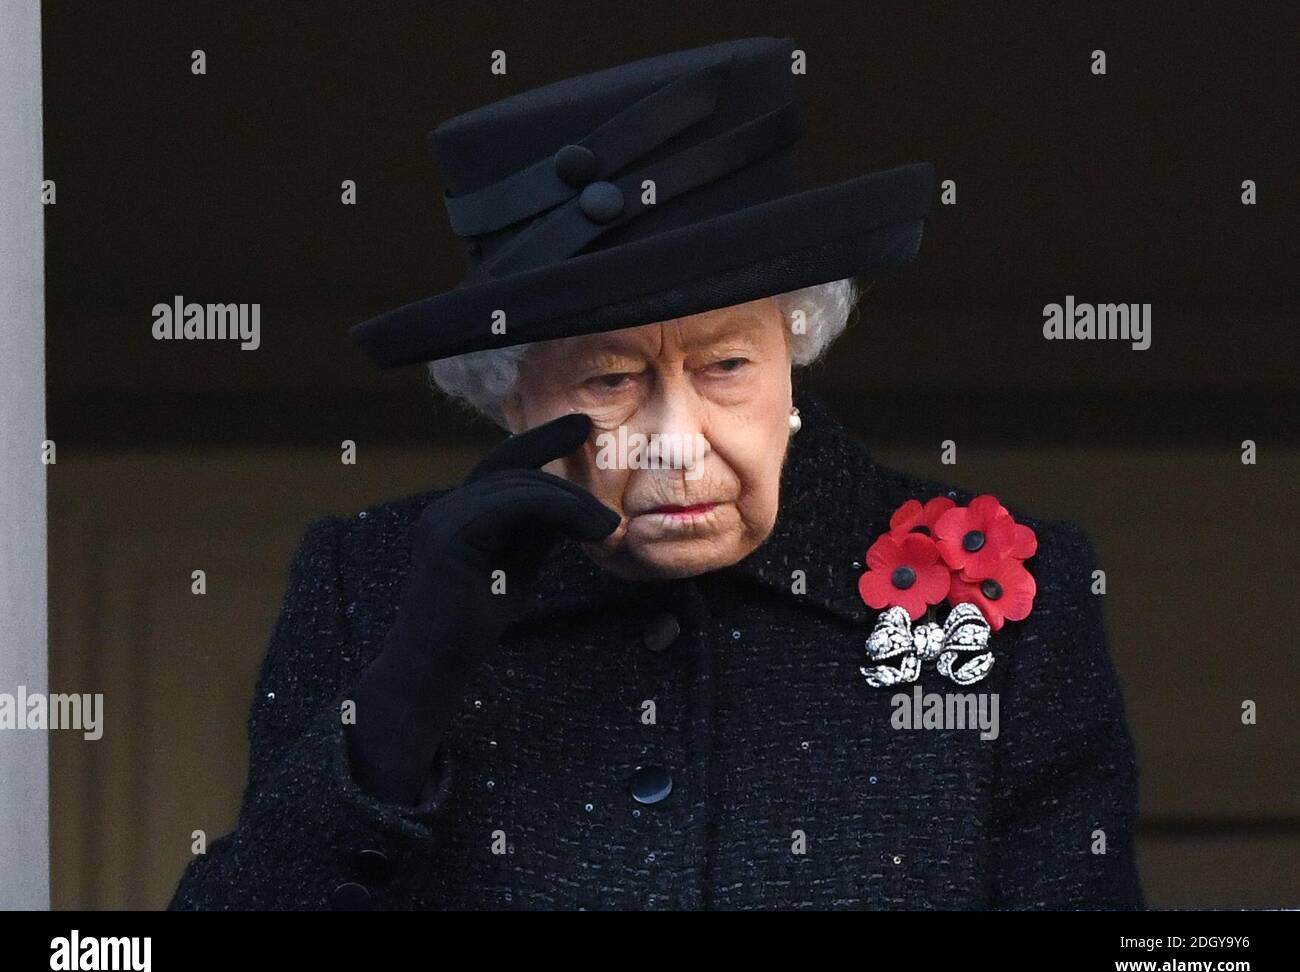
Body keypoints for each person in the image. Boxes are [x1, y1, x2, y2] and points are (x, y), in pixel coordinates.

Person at [169, 36, 1143, 910]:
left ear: (794, 344)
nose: (677, 442)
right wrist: (403, 696)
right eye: (610, 378)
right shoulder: (367, 586)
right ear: (509, 395)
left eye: (725, 365)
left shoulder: (1004, 592)